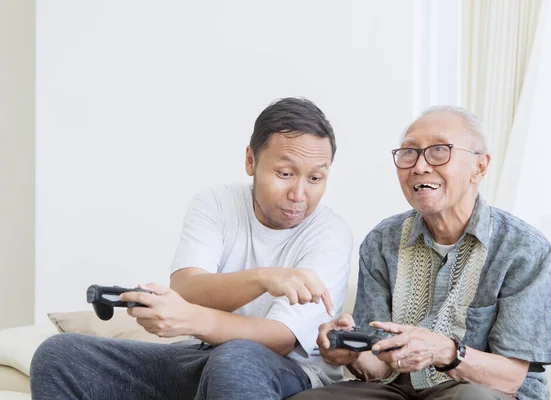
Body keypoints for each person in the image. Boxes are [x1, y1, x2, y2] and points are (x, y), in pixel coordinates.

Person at [29, 97, 353, 400]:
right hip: (202, 355)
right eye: (285, 174)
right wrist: (263, 279)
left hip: (288, 369)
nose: (298, 194)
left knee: (236, 357)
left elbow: (280, 338)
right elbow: (187, 288)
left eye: (315, 179)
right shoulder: (216, 202)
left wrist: (191, 319)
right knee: (60, 355)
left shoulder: (330, 233)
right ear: (250, 160)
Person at [290, 106, 551, 400]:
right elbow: (377, 365)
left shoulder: (523, 248)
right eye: (409, 153)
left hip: (484, 391)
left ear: (479, 167)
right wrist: (349, 351)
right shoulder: (382, 241)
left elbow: (510, 378)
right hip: (397, 389)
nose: (419, 166)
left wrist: (447, 352)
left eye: (439, 151)